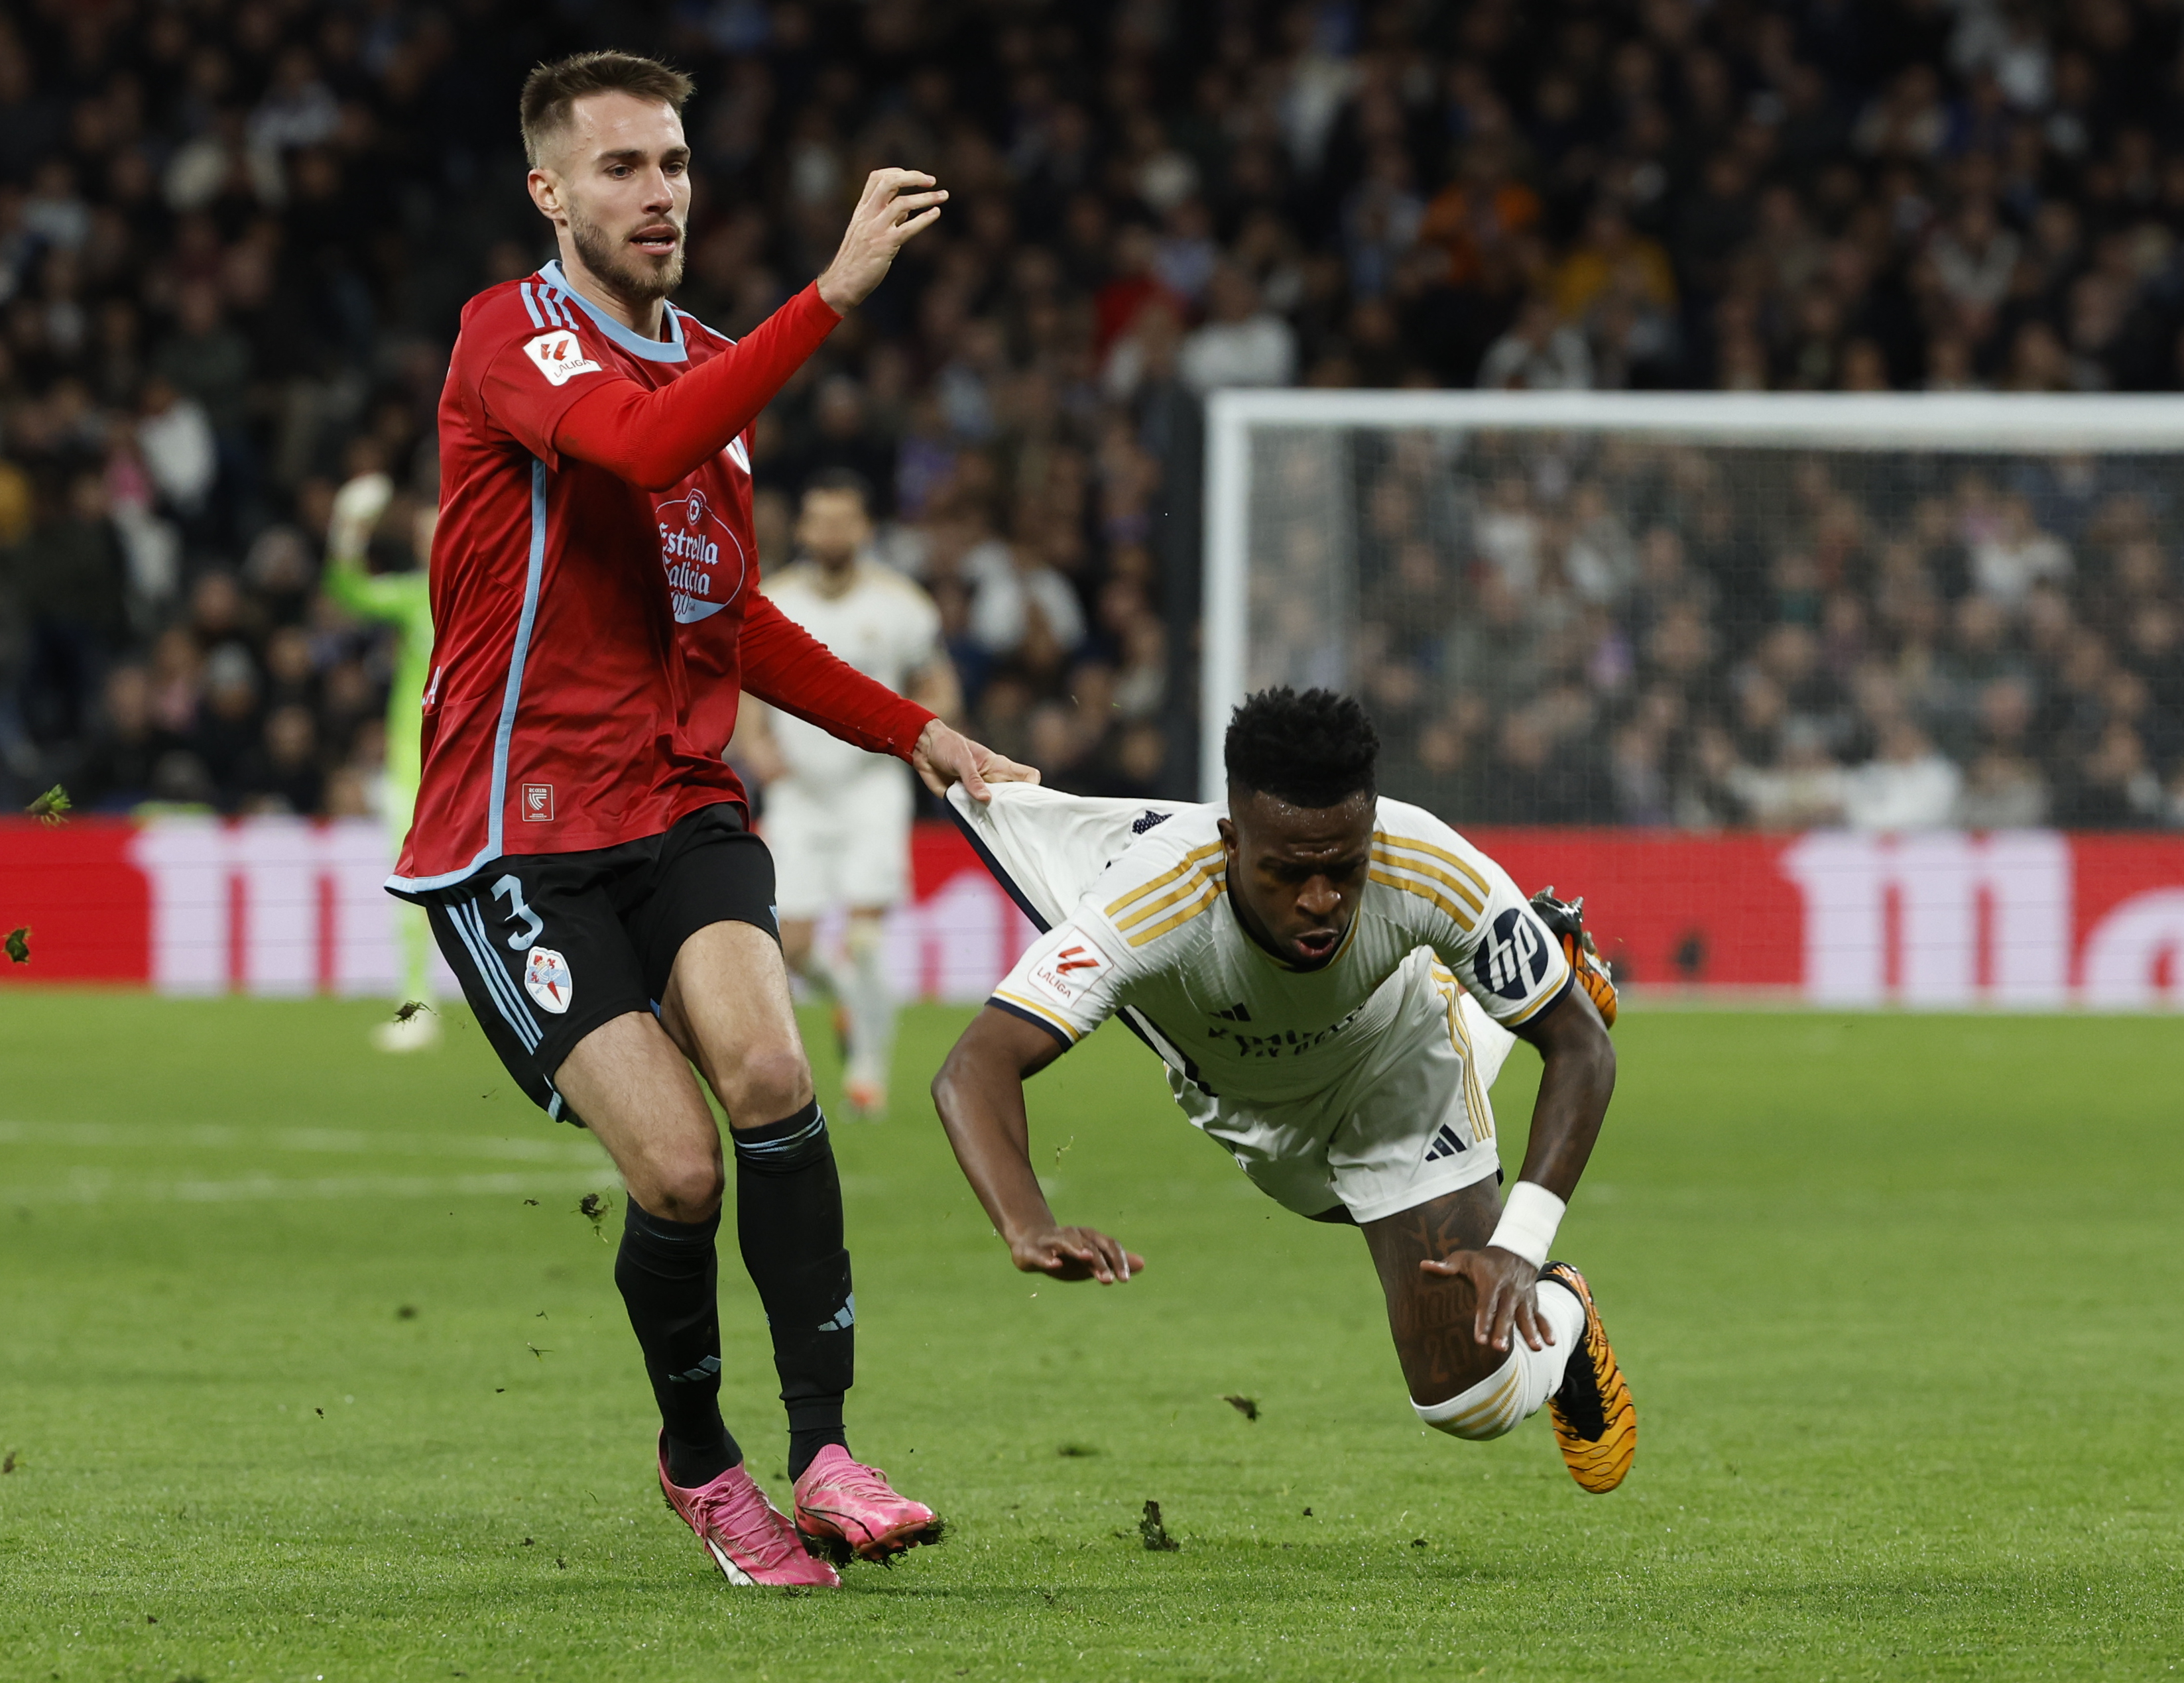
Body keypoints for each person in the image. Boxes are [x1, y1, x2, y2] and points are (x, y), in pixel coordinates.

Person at [386, 50, 1031, 1590]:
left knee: (770, 1069)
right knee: (675, 1170)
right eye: (620, 168)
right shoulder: (509, 338)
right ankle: (702, 1465)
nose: (658, 191)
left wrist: (915, 729)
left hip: (679, 801)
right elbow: (635, 445)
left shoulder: (721, 365)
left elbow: (723, 613)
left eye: (672, 163)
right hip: (517, 829)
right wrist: (836, 296)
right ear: (551, 191)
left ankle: (826, 1450)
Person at [932, 689, 1636, 1494]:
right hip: (1248, 1105)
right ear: (1232, 841)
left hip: (1394, 1066)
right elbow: (973, 1066)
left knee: (1468, 1402)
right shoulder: (1153, 897)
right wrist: (1027, 1224)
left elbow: (1583, 1046)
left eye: (1345, 868)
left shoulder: (1426, 861)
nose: (1320, 900)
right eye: (1287, 871)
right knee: (1331, 1200)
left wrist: (1520, 1246)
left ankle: (1566, 1309)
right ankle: (1536, 974)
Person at [731, 470, 960, 1116]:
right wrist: (755, 744)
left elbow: (940, 687)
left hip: (870, 787)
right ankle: (849, 1007)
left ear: (864, 528)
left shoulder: (903, 606)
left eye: (843, 520)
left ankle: (867, 1070)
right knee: (796, 948)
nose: (831, 533)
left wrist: (913, 729)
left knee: (864, 936)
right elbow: (750, 681)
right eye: (820, 520)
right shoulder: (772, 599)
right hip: (799, 790)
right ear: (803, 529)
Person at [322, 470, 441, 1050]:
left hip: (477, 763)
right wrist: (347, 533)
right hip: (411, 766)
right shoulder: (416, 594)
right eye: (425, 534)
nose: (432, 542)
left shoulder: (495, 593)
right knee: (410, 890)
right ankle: (416, 1006)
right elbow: (349, 593)